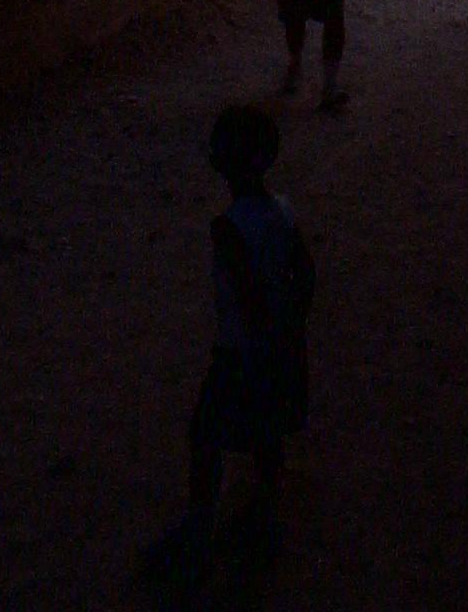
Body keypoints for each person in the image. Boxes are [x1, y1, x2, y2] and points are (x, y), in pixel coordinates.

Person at [147, 105, 315, 593]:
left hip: (241, 353)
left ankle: (201, 521)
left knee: (205, 435)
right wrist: (290, 327)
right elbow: (305, 273)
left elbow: (245, 294)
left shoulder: (228, 227)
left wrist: (258, 334)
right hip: (280, 348)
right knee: (267, 435)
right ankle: (263, 514)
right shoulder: (282, 211)